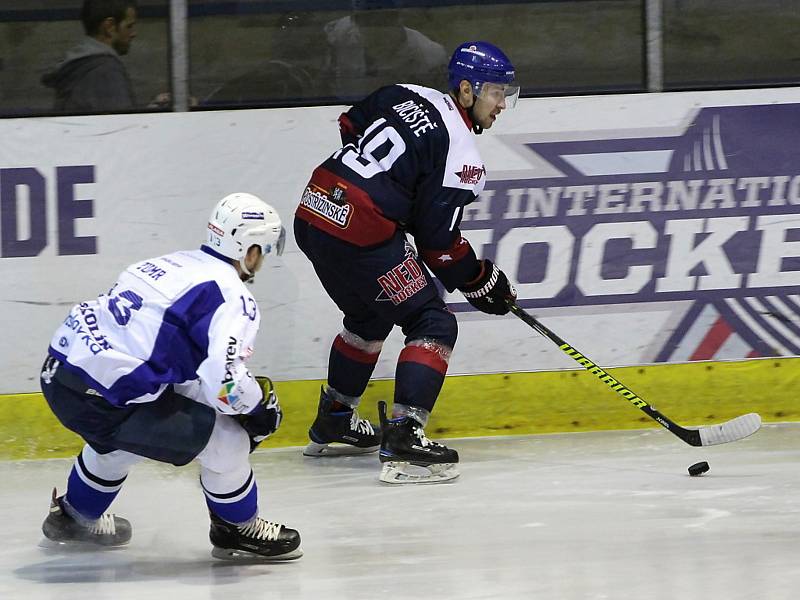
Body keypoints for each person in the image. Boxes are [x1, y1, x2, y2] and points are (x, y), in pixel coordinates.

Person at [294, 41, 520, 484]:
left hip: (316, 207)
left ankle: (336, 418)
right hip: (361, 229)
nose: (502, 105)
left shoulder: (405, 92)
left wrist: (387, 188)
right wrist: (478, 279)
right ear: (468, 90)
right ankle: (405, 435)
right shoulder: (463, 157)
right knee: (433, 323)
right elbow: (437, 244)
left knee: (369, 312)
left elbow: (349, 123)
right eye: (496, 93)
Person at [38, 193, 302, 561]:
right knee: (228, 445)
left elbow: (165, 356)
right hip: (109, 396)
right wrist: (258, 406)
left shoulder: (166, 263)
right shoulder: (232, 296)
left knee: (116, 442)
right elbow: (225, 384)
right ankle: (237, 530)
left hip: (59, 375)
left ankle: (74, 518)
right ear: (250, 250)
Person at [323, 0, 448, 101]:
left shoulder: (429, 55)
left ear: (399, 19)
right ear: (355, 21)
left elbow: (438, 101)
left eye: (384, 20)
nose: (375, 29)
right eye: (366, 21)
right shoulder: (340, 34)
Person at [42, 0, 138, 114]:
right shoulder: (106, 71)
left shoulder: (80, 65)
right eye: (129, 26)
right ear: (110, 26)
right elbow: (123, 126)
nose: (133, 33)